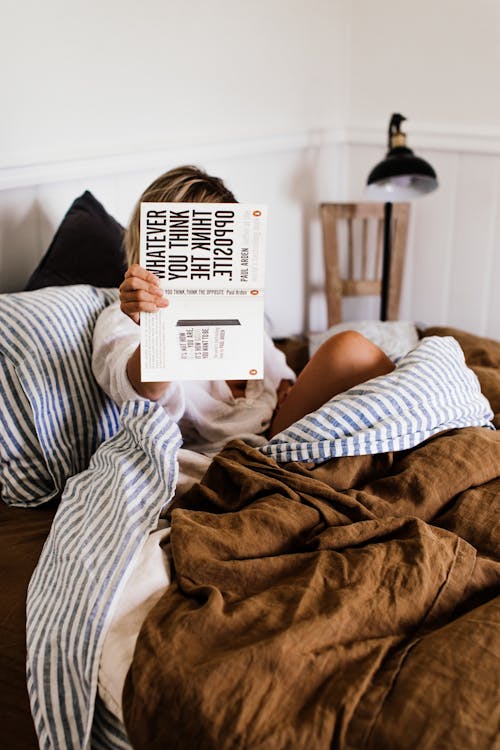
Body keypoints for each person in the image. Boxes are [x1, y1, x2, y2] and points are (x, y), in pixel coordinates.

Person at [92, 165, 394, 495]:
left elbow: (283, 382)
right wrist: (156, 326)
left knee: (357, 353)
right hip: (229, 461)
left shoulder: (238, 311)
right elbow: (144, 392)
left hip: (282, 433)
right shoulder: (122, 319)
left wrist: (287, 391)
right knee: (349, 349)